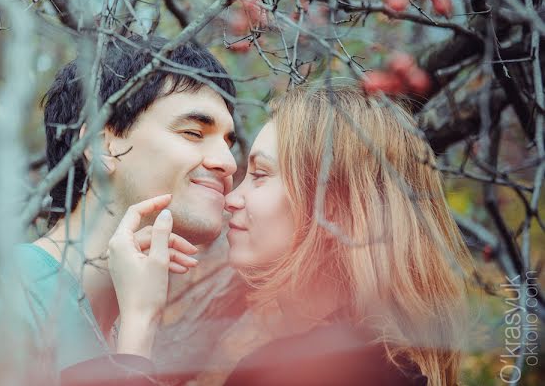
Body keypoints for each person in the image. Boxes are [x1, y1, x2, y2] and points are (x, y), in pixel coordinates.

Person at [0, 35, 238, 385]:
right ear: (102, 145)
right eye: (194, 132)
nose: (227, 162)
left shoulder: (110, 328)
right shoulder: (5, 305)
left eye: (228, 141)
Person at [87, 80, 472, 386]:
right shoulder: (395, 363)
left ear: (333, 206)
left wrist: (138, 328)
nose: (231, 198)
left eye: (259, 175)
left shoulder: (289, 372)